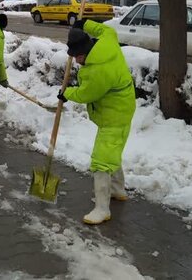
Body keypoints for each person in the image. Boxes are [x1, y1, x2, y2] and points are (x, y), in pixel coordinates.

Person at [57, 19, 136, 225]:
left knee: (101, 161)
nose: (75, 62)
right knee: (112, 152)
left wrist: (66, 93)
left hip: (114, 116)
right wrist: (85, 23)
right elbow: (105, 29)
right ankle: (117, 190)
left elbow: (86, 94)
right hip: (121, 108)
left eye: (78, 57)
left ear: (85, 52)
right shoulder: (106, 42)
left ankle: (102, 209)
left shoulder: (98, 71)